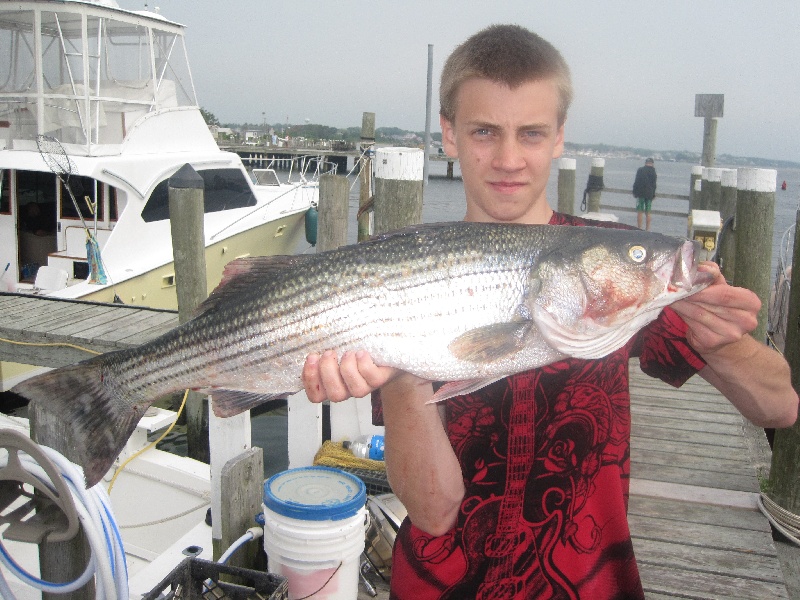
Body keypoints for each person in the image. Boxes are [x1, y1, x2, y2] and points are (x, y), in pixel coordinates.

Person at [301, 25, 798, 599]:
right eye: (485, 132)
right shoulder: (402, 277)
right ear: (450, 135)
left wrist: (720, 341)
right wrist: (404, 377)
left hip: (590, 583)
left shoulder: (615, 267)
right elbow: (434, 512)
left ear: (560, 136)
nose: (509, 159)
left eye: (532, 133)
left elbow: (778, 404)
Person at [633, 157, 657, 230]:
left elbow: (637, 182)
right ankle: (647, 229)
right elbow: (654, 184)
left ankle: (639, 228)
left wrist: (634, 191)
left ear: (645, 163)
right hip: (649, 194)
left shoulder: (641, 170)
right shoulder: (653, 172)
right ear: (652, 164)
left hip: (641, 193)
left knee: (640, 211)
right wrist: (653, 194)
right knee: (648, 212)